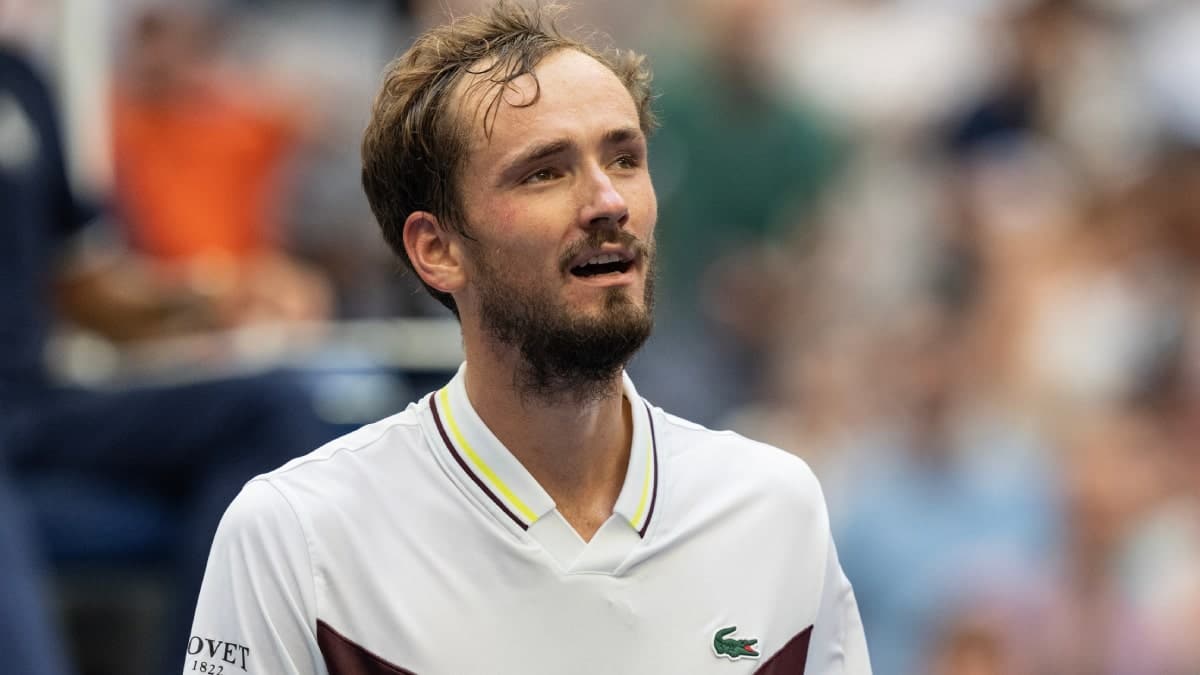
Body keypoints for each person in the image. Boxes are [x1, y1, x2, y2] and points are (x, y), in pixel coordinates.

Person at [184, 3, 871, 673]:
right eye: (545, 171)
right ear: (437, 249)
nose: (610, 202)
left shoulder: (777, 510)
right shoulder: (295, 536)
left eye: (625, 159)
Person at [0, 38, 330, 675]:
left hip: (32, 405)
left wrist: (217, 295)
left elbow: (80, 284)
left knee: (272, 407)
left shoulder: (18, 82)